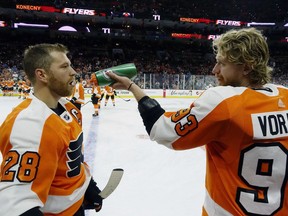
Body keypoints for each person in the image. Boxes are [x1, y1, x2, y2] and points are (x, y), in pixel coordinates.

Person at [107, 28, 288, 215]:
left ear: (247, 67)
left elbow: (160, 130)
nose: (214, 70)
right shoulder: (285, 96)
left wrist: (131, 86)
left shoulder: (224, 101)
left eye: (222, 64)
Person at [0, 43, 103, 216]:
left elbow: (71, 157)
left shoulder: (69, 108)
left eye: (70, 65)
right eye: (64, 66)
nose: (74, 72)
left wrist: (88, 187)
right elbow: (14, 206)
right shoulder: (29, 124)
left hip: (76, 207)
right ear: (42, 75)